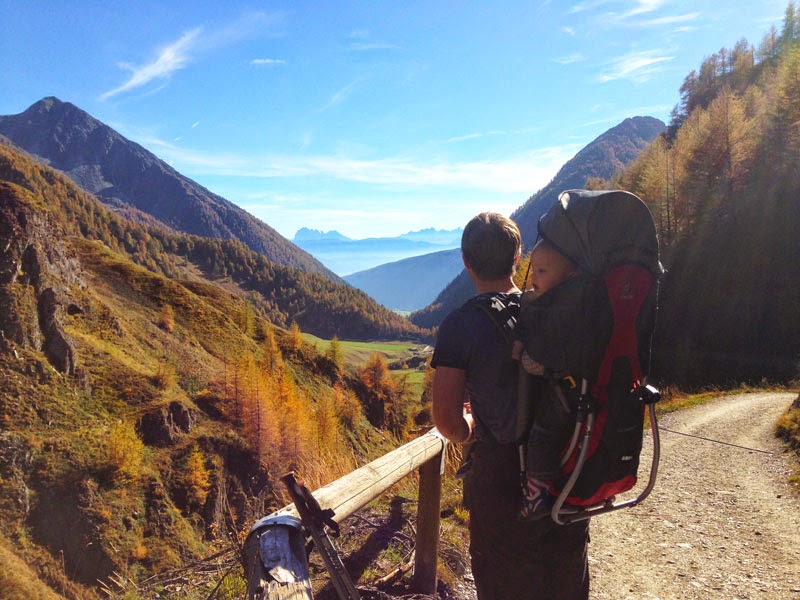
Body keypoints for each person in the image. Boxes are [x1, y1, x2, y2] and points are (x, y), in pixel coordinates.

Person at [432, 213, 590, 600]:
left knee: (504, 579)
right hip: (567, 467)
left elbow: (447, 421)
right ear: (518, 259)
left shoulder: (460, 325)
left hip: (500, 477)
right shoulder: (552, 309)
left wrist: (469, 426)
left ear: (466, 262)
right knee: (564, 576)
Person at [512, 239, 579, 520]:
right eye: (534, 269)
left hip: (565, 390)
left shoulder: (563, 312)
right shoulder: (547, 303)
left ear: (568, 276)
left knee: (542, 435)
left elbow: (545, 360)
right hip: (565, 388)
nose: (534, 277)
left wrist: (525, 357)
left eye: (542, 271)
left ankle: (537, 494)